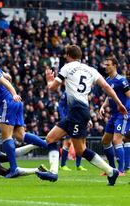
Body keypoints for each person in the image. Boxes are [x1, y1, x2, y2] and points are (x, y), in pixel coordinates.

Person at [38, 45, 127, 186]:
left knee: (80, 149)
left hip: (77, 111)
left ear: (68, 55)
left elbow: (53, 87)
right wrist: (119, 103)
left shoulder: (66, 67)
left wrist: (49, 80)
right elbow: (106, 87)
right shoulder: (90, 69)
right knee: (50, 138)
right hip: (78, 111)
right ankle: (53, 172)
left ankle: (111, 171)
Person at [0, 50, 47, 178]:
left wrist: (13, 94)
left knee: (6, 136)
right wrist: (10, 85)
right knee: (20, 135)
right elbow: (8, 76)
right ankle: (49, 145)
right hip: (15, 103)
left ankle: (14, 169)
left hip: (8, 102)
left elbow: (5, 81)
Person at [99, 57, 130, 176]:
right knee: (105, 141)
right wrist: (103, 106)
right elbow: (109, 96)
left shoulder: (121, 80)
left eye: (108, 65)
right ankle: (111, 169)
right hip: (113, 115)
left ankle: (121, 171)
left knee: (117, 140)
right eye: (105, 64)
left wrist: (124, 108)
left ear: (115, 66)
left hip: (123, 114)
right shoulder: (107, 79)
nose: (106, 66)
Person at [58, 91, 87, 171]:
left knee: (81, 143)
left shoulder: (82, 91)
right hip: (69, 120)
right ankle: (63, 165)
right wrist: (63, 117)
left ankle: (78, 165)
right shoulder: (67, 91)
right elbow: (60, 105)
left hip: (80, 120)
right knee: (68, 142)